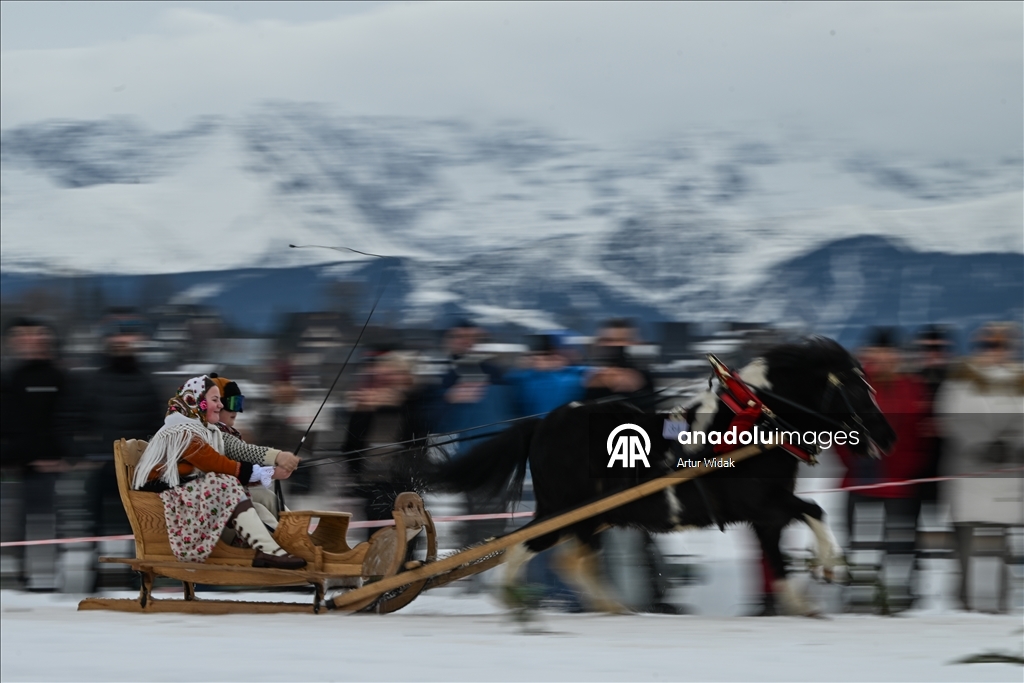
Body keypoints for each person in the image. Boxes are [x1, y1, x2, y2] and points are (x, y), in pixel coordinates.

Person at [132, 375, 305, 569]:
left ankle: (298, 541)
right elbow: (216, 464)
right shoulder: (182, 432)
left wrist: (265, 473)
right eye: (216, 400)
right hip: (170, 504)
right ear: (196, 401)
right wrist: (267, 471)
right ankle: (268, 550)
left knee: (258, 495)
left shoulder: (204, 431)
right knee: (223, 482)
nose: (221, 406)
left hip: (189, 501)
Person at [58, 310, 165, 590]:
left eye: (129, 333)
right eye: (116, 333)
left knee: (139, 529)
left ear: (140, 339)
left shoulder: (148, 383)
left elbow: (161, 429)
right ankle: (93, 579)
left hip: (139, 472)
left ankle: (138, 582)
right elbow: (72, 421)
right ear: (106, 339)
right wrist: (84, 454)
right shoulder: (91, 381)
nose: (123, 339)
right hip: (102, 469)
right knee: (96, 529)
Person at [838, 327, 930, 612]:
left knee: (901, 543)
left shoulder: (913, 387)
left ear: (898, 356)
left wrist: (906, 465)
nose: (883, 358)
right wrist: (856, 458)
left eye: (889, 353)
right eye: (877, 353)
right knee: (861, 543)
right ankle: (862, 595)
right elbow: (837, 432)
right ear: (867, 354)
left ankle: (899, 594)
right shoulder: (851, 387)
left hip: (901, 481)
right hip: (862, 477)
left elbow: (922, 436)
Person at [936, 322, 1024, 612]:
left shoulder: (1020, 377)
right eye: (988, 345)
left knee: (1002, 542)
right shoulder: (960, 378)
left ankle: (998, 601)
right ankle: (965, 601)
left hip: (1009, 472)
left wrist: (1014, 443)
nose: (995, 351)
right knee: (967, 543)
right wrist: (982, 444)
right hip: (969, 470)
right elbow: (953, 417)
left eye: (1000, 345)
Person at [0, 317, 69, 589]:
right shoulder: (10, 379)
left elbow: (65, 420)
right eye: (22, 337)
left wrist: (64, 457)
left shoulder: (60, 377)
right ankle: (24, 575)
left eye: (36, 336)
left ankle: (53, 575)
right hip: (17, 464)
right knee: (21, 524)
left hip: (52, 464)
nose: (29, 341)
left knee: (52, 522)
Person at [343, 352, 430, 537]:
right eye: (388, 374)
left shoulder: (415, 402)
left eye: (397, 374)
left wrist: (399, 404)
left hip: (404, 479)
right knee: (377, 535)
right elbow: (351, 443)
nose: (392, 379)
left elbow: (420, 439)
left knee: (410, 534)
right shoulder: (366, 402)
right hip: (373, 480)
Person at [208, 375, 300, 528]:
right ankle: (289, 541)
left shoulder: (228, 432)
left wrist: (270, 471)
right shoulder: (211, 432)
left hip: (227, 496)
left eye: (239, 403)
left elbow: (243, 468)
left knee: (266, 497)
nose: (237, 410)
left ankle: (298, 533)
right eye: (232, 403)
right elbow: (242, 450)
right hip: (213, 506)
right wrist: (277, 456)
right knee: (259, 508)